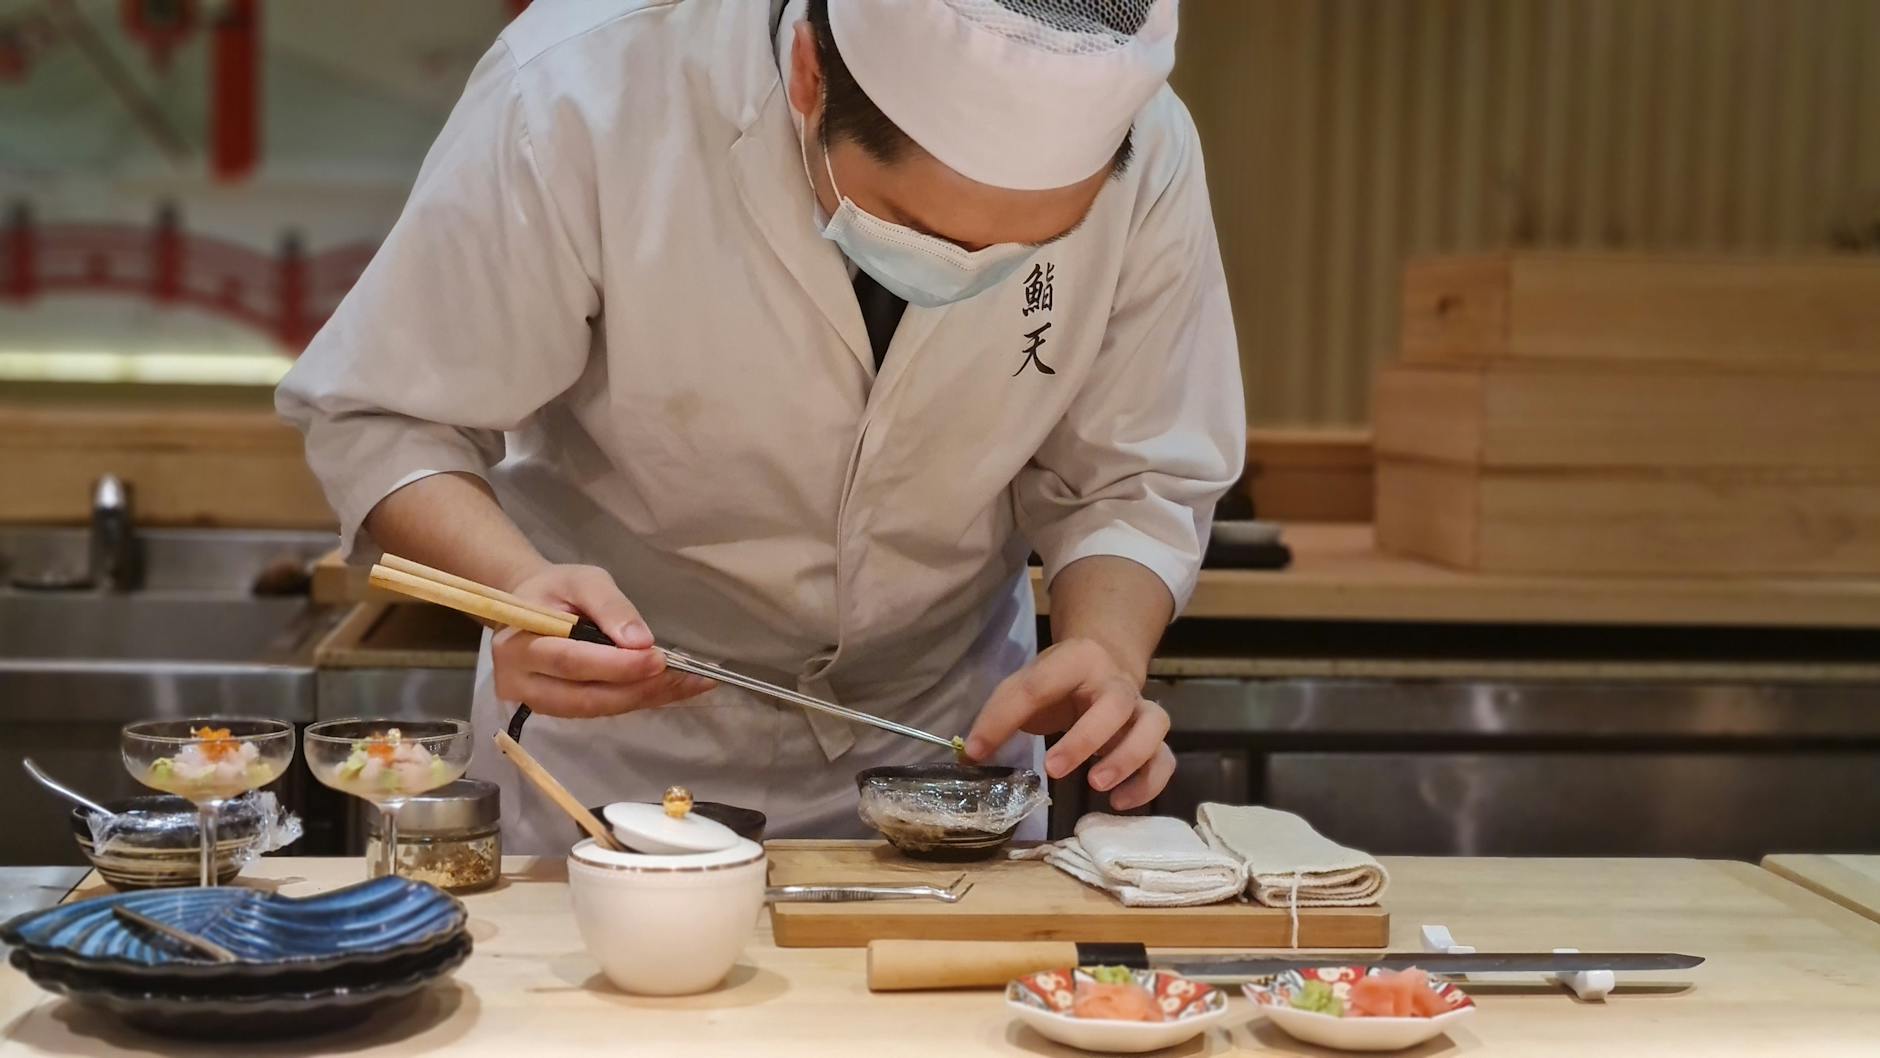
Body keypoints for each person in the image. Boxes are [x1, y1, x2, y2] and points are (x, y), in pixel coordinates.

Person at [277, 0, 1244, 853]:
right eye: (924, 230)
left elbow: (1135, 477)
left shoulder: (1148, 150)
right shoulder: (587, 88)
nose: (971, 269)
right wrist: (516, 588)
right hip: (623, 760)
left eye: (1027, 248)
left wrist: (1107, 651)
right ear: (809, 73)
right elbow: (388, 414)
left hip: (945, 767)